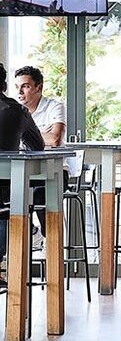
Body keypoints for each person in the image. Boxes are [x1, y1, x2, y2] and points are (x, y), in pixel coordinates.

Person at [0, 63, 44, 288]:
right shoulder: (18, 111)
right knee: (7, 204)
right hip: (7, 194)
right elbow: (38, 146)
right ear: (5, 85)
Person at [14, 66, 67, 248]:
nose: (20, 92)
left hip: (54, 172)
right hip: (25, 172)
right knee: (7, 194)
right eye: (17, 87)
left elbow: (55, 139)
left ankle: (49, 241)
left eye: (26, 86)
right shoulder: (15, 111)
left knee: (39, 195)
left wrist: (27, 134)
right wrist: (40, 133)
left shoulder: (54, 106)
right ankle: (30, 232)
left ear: (39, 87)